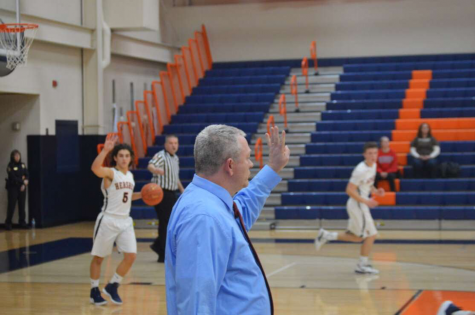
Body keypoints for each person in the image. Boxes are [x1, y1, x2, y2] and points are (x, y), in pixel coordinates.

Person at [165, 125, 289, 315]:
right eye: (247, 158)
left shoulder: (211, 202)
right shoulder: (203, 217)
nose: (251, 164)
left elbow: (242, 210)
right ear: (230, 165)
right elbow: (197, 304)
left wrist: (273, 168)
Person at [314, 142, 385, 274]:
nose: (373, 156)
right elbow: (349, 190)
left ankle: (326, 235)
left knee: (358, 237)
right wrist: (366, 201)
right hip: (358, 205)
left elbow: (367, 184)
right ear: (364, 155)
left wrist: (376, 191)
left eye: (375, 153)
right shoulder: (360, 170)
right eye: (370, 153)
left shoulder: (373, 165)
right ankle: (362, 265)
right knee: (371, 235)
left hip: (360, 205)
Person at [89, 135, 142, 306]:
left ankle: (113, 285)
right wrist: (105, 150)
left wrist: (143, 195)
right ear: (115, 158)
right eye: (121, 156)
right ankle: (94, 290)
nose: (124, 159)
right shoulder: (111, 173)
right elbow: (95, 168)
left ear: (131, 158)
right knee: (99, 258)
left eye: (127, 156)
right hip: (108, 220)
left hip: (125, 221)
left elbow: (126, 197)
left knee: (131, 255)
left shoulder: (131, 176)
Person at [147, 134, 184, 263]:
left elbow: (175, 177)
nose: (174, 145)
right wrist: (155, 170)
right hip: (161, 193)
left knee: (171, 222)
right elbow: (150, 165)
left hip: (172, 193)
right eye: (171, 143)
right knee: (165, 223)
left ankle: (158, 246)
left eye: (176, 143)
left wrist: (182, 189)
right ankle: (162, 252)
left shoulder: (176, 158)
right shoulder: (161, 156)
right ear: (165, 145)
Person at [4, 150, 29, 230]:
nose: (17, 157)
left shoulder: (22, 165)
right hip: (13, 188)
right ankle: (8, 223)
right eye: (15, 156)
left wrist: (25, 183)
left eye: (18, 155)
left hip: (22, 188)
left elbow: (26, 174)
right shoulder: (10, 166)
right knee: (11, 206)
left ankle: (22, 222)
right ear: (12, 157)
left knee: (22, 205)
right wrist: (22, 180)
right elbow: (13, 177)